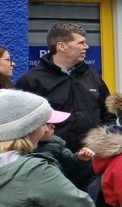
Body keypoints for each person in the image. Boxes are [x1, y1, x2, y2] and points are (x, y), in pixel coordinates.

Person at [16, 23, 113, 152]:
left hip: (92, 159)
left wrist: (106, 141)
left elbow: (108, 114)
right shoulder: (32, 80)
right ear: (62, 47)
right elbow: (20, 123)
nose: (87, 47)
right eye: (81, 43)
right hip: (52, 159)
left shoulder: (92, 75)